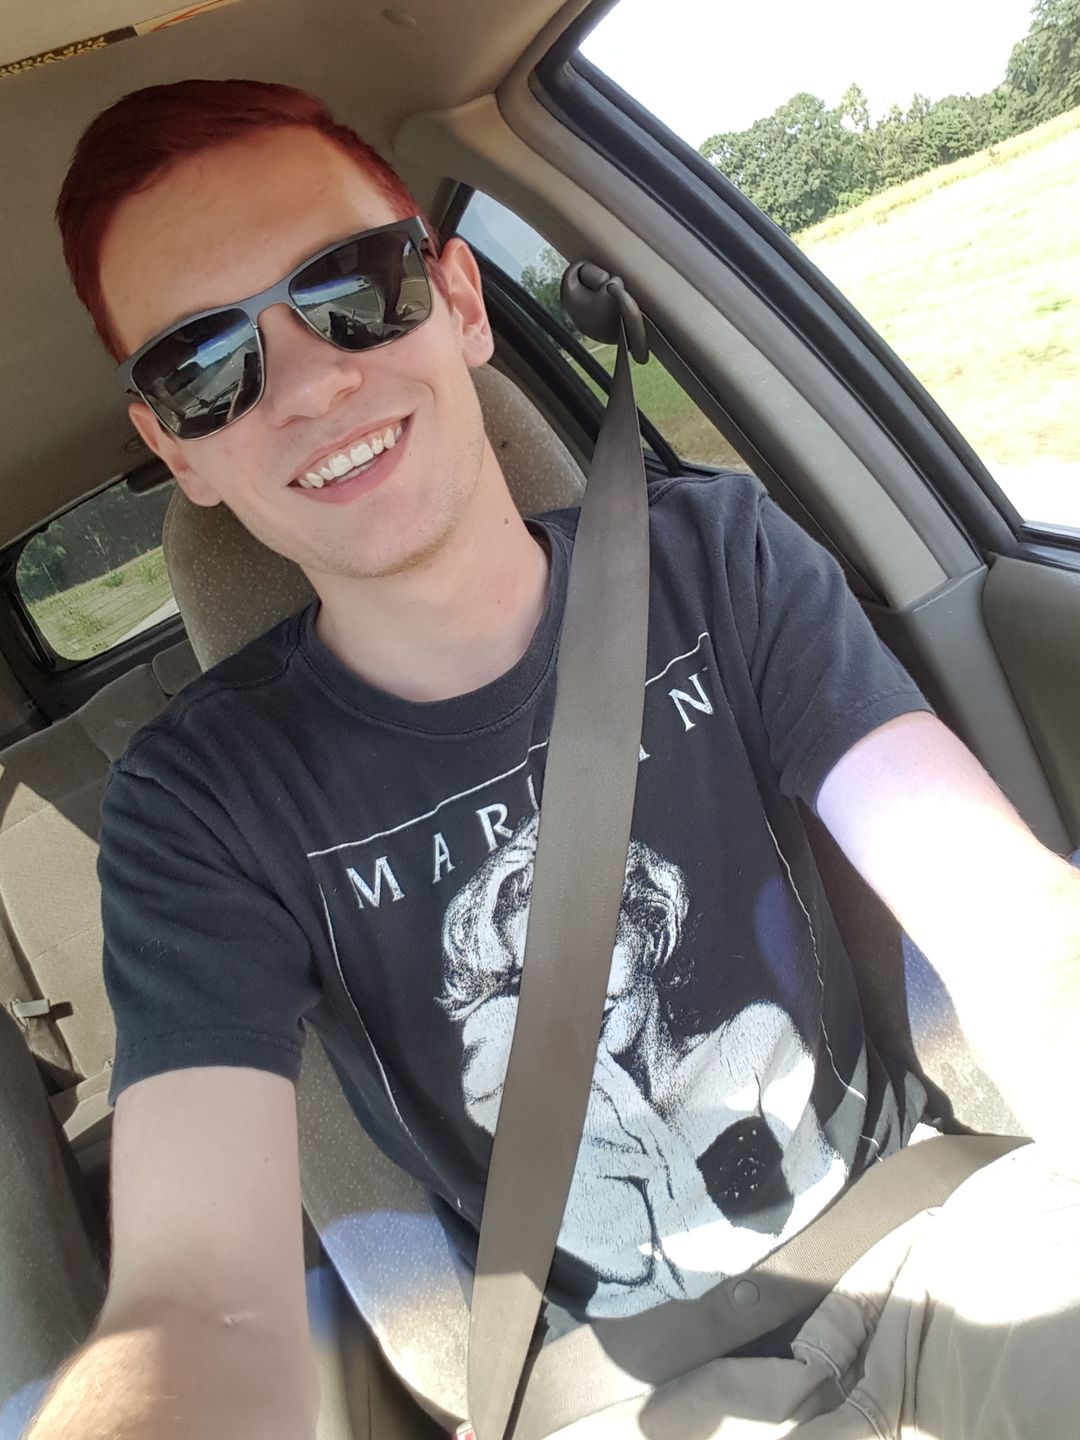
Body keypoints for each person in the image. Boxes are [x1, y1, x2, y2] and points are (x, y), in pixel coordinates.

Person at [23, 77, 1080, 1438]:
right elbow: (197, 1299)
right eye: (205, 368)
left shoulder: (721, 560)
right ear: (180, 450)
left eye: (350, 286)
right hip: (608, 1393)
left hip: (933, 1242)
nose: (313, 385)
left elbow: (1013, 925)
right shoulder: (198, 806)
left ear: (460, 301)